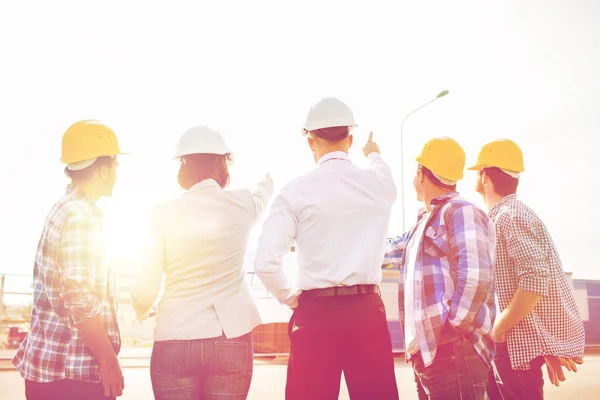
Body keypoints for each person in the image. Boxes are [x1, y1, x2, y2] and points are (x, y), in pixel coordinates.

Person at [254, 97, 399, 400]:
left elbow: (266, 262)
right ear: (350, 138)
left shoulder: (294, 192)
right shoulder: (379, 187)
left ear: (310, 141)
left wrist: (294, 299)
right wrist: (374, 155)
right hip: (366, 314)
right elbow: (385, 175)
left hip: (316, 316)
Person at [131, 125, 273, 400]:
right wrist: (266, 182)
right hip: (229, 336)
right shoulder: (242, 204)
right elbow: (260, 199)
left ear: (182, 166)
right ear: (223, 164)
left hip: (175, 335)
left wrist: (140, 308)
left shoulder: (161, 213)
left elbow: (147, 283)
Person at [12, 120, 125, 399]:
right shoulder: (81, 217)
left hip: (51, 370)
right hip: (72, 375)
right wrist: (108, 361)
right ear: (103, 169)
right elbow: (79, 296)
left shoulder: (63, 209)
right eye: (116, 166)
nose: (117, 173)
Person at [469, 139, 585, 399]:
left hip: (512, 347)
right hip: (510, 345)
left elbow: (534, 281)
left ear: (485, 175)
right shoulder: (506, 215)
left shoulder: (511, 216)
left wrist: (499, 329)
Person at [383, 136, 496, 400]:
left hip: (453, 351)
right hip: (431, 353)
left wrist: (451, 330)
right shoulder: (425, 222)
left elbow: (476, 275)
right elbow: (387, 250)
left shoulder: (461, 211)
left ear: (421, 174)